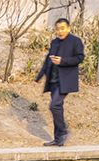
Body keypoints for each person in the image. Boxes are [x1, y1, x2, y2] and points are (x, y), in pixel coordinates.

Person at [35, 18, 84, 147]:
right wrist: (39, 76)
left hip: (66, 80)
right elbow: (48, 60)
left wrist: (62, 61)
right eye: (57, 29)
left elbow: (80, 58)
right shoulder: (54, 42)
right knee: (58, 108)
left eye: (62, 28)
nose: (60, 31)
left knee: (54, 106)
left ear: (68, 28)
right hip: (53, 80)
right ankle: (58, 139)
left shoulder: (75, 41)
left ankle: (63, 131)